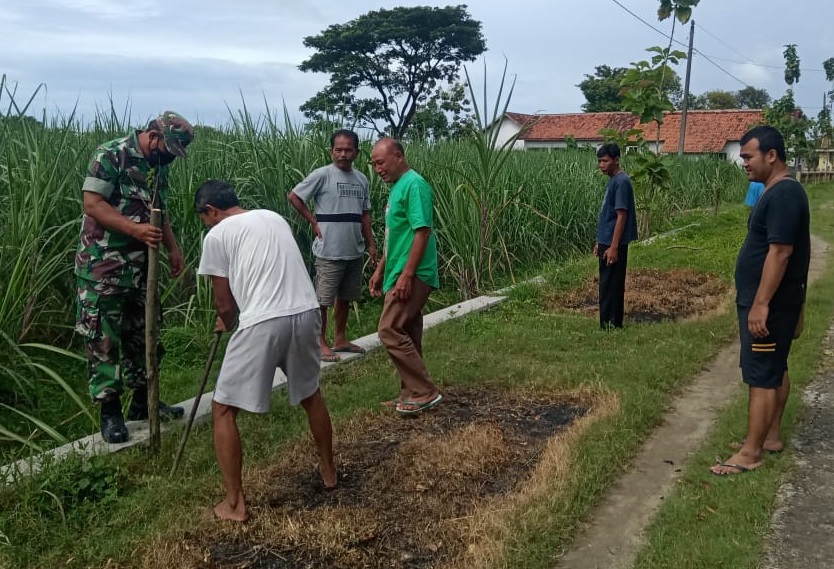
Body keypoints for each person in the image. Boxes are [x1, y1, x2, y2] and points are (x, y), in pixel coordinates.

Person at [195, 180, 337, 521]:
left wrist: (224, 321)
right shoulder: (274, 217)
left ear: (211, 211)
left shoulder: (216, 234)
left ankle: (234, 504)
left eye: (205, 218)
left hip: (263, 320)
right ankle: (329, 473)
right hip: (306, 311)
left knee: (223, 409)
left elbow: (225, 304)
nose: (207, 223)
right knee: (311, 394)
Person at [75, 111, 192, 444]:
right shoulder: (111, 154)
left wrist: (173, 248)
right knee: (103, 340)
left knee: (144, 335)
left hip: (143, 269)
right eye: (168, 150)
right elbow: (93, 204)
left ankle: (144, 402)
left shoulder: (157, 167)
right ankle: (111, 413)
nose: (170, 158)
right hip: (104, 268)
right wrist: (136, 230)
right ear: (153, 137)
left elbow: (160, 210)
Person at [711, 125, 810, 476]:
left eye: (748, 157)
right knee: (775, 367)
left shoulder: (783, 194)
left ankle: (750, 453)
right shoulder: (776, 190)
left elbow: (781, 252)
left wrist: (761, 303)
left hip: (770, 303)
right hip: (777, 301)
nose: (744, 163)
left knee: (762, 375)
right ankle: (769, 437)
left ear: (772, 155)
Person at [288, 129, 378, 363]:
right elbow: (294, 197)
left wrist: (371, 244)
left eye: (348, 150)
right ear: (331, 151)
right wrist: (313, 221)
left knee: (346, 297)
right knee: (323, 300)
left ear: (356, 152)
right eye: (338, 149)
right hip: (329, 249)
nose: (343, 154)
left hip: (354, 248)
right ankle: (320, 343)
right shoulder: (322, 175)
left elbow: (365, 214)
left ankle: (340, 339)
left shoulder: (361, 179)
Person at [368, 138, 442, 414]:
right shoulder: (399, 187)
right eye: (374, 164)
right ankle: (411, 392)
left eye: (381, 162)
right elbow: (397, 237)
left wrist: (406, 275)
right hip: (397, 269)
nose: (377, 169)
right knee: (408, 331)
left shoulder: (414, 185)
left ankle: (425, 391)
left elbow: (422, 231)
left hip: (413, 271)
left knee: (388, 329)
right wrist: (380, 270)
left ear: (398, 156)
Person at [593, 143, 638, 329]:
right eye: (599, 161)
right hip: (606, 240)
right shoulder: (613, 180)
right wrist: (600, 241)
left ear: (616, 160)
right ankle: (609, 322)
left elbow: (621, 216)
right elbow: (608, 215)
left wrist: (613, 247)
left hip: (614, 243)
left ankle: (611, 324)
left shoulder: (621, 182)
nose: (601, 165)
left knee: (611, 284)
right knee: (607, 283)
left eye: (605, 161)